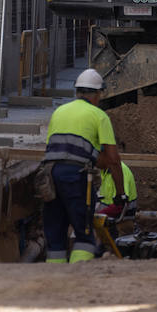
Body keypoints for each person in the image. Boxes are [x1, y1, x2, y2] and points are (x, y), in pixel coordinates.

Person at [42, 68, 126, 263]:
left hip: (50, 176)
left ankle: (53, 283)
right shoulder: (98, 115)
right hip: (76, 176)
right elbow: (113, 160)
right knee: (84, 234)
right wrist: (120, 194)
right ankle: (79, 279)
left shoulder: (59, 112)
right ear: (97, 94)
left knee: (55, 237)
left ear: (78, 92)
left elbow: (62, 149)